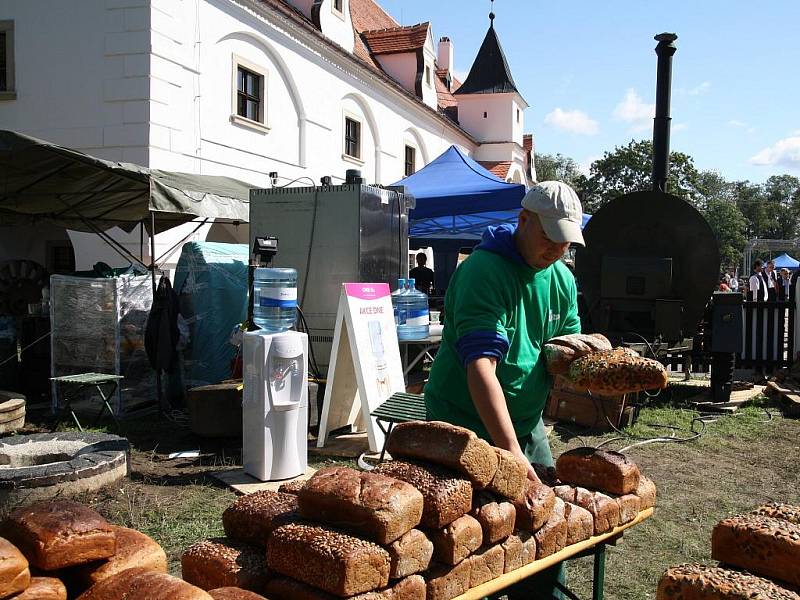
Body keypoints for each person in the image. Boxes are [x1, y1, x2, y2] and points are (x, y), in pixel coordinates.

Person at [424, 181, 583, 599]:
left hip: (526, 422)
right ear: (523, 220)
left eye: (565, 240)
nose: (556, 248)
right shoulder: (482, 271)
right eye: (549, 236)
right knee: (468, 541)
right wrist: (510, 450)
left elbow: (562, 352)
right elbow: (480, 366)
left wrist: (592, 369)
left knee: (545, 530)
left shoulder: (562, 279)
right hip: (461, 422)